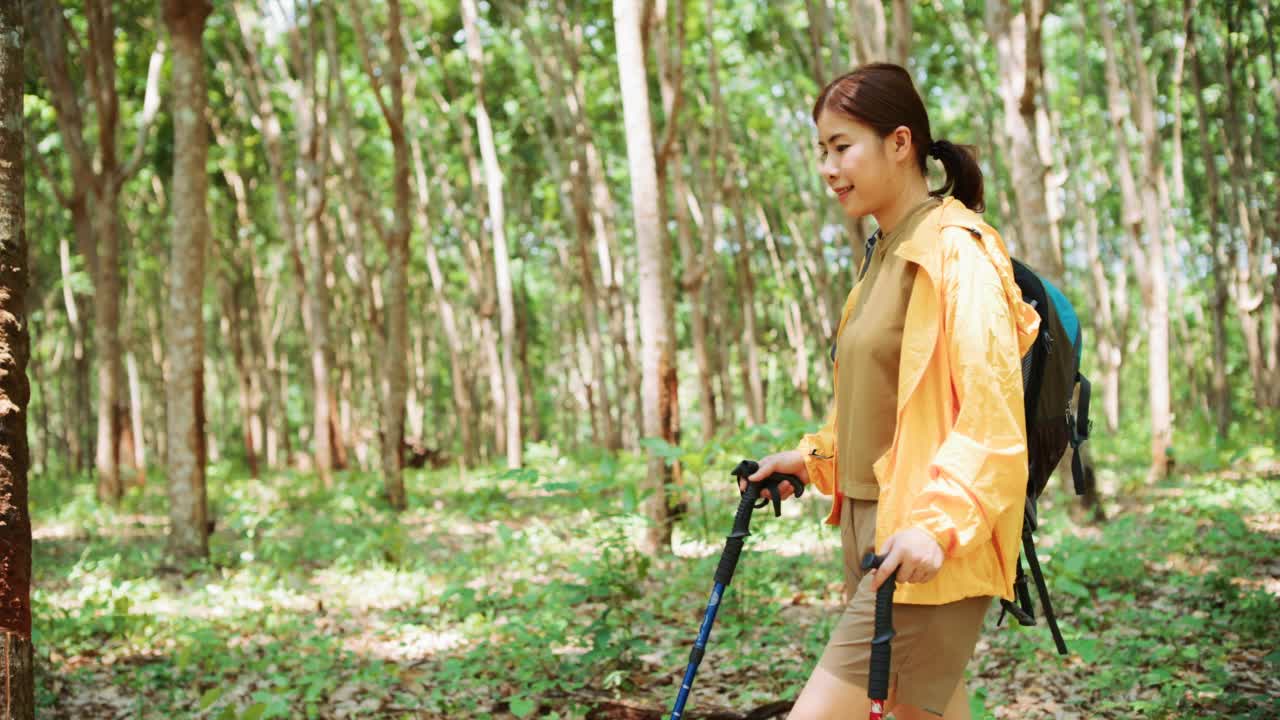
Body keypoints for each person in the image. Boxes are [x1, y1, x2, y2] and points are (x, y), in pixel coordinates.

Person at [741, 63, 1041, 719]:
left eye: (842, 145)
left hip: (924, 541)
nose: (828, 166)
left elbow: (992, 417)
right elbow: (879, 411)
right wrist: (813, 459)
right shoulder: (883, 255)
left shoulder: (957, 250)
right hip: (869, 528)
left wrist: (937, 526)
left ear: (900, 143)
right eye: (822, 150)